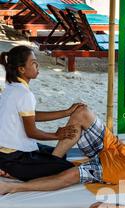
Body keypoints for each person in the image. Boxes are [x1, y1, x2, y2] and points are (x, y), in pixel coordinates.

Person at [0, 45, 85, 180]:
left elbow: (31, 116)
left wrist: (67, 112)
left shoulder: (11, 87)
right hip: (13, 157)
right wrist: (57, 135)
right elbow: (31, 132)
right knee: (65, 167)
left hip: (6, 151)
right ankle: (9, 171)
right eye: (34, 63)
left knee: (59, 155)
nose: (38, 66)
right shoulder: (23, 94)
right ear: (21, 69)